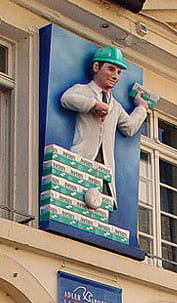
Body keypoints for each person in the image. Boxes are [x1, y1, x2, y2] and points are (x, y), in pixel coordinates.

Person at [60, 45, 149, 197]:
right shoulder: (84, 90)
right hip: (83, 160)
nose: (115, 76)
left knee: (101, 204)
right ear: (96, 67)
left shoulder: (115, 105)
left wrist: (142, 108)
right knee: (75, 197)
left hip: (104, 168)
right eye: (111, 69)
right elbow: (67, 99)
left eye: (119, 72)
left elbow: (129, 127)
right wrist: (93, 105)